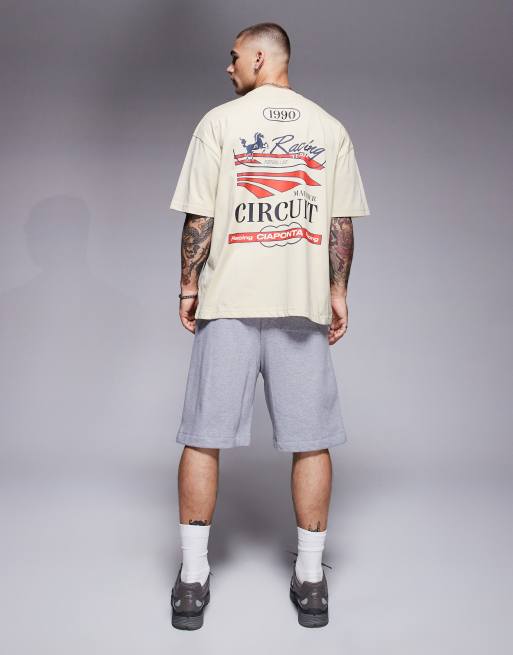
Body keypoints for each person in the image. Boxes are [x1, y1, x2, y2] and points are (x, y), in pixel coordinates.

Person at [168, 22, 370, 630]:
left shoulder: (218, 124)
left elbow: (200, 217)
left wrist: (188, 285)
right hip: (300, 303)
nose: (228, 67)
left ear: (260, 57)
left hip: (228, 300)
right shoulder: (329, 128)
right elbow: (340, 224)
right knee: (311, 439)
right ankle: (311, 579)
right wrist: (337, 291)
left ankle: (192, 578)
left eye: (235, 57)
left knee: (203, 436)